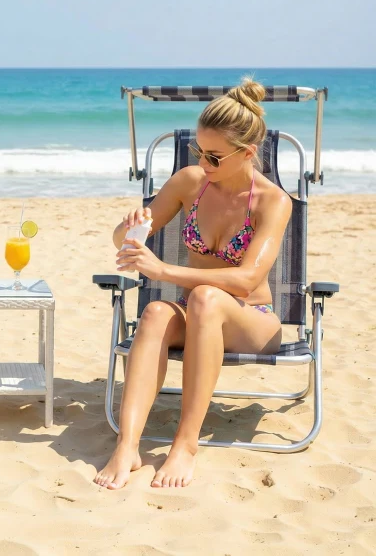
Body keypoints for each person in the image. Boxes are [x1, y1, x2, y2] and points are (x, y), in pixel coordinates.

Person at [94, 78, 291, 490]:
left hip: (250, 321)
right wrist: (129, 231)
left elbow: (247, 278)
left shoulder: (272, 201)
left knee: (204, 297)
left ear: (248, 153)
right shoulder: (189, 182)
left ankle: (185, 445)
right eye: (199, 151)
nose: (204, 162)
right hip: (200, 316)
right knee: (154, 312)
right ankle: (127, 445)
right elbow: (124, 242)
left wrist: (163, 271)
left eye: (215, 157)